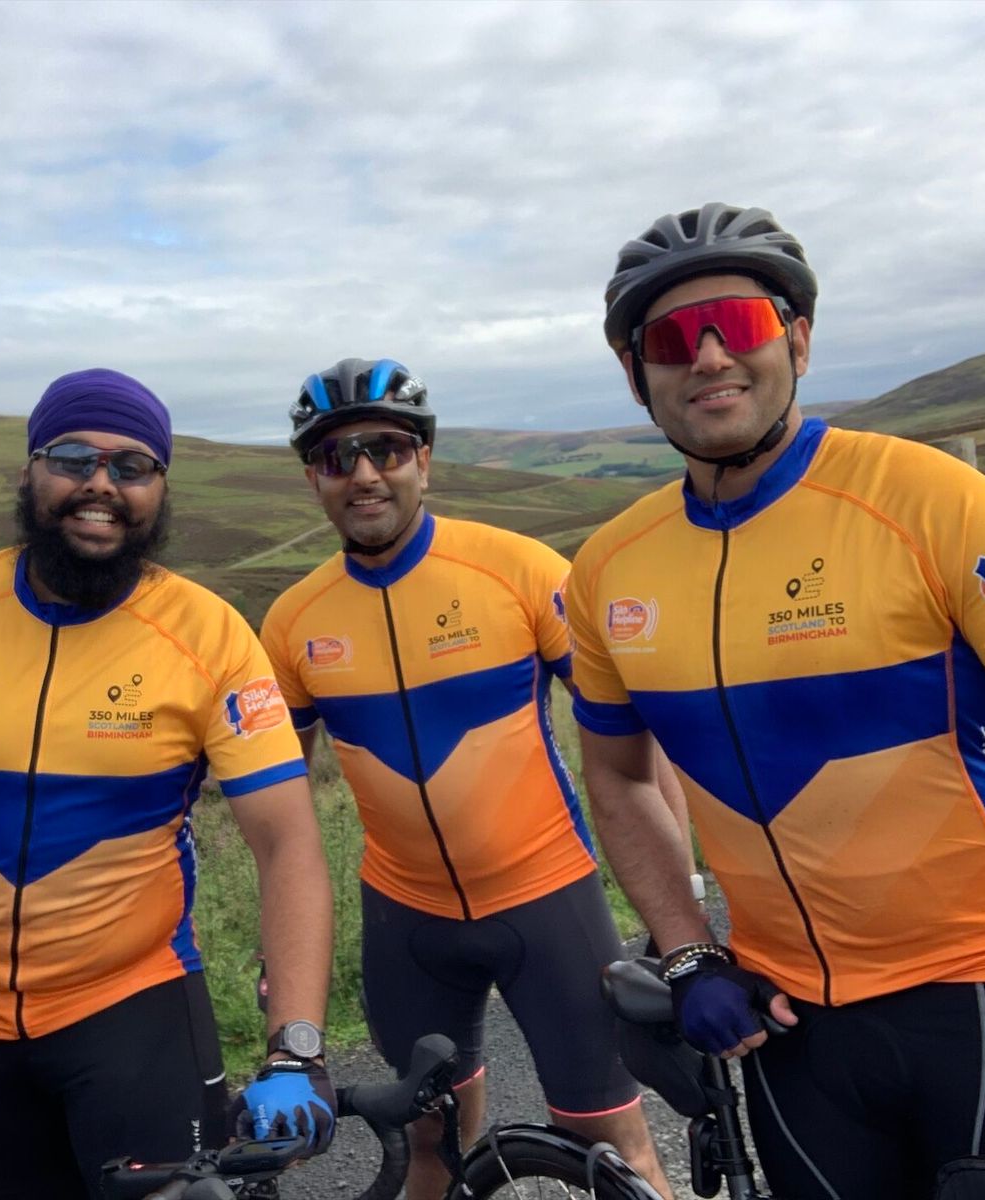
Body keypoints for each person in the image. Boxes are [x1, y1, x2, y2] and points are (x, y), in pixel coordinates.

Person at [569, 203, 985, 1198]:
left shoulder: (931, 501)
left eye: (736, 324)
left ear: (798, 342)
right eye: (669, 341)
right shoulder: (609, 567)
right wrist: (688, 952)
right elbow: (618, 774)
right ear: (636, 376)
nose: (707, 357)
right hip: (792, 1028)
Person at [0, 368, 335, 1199]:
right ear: (31, 470)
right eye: (73, 458)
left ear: (160, 489)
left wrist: (297, 1047)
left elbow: (287, 844)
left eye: (132, 467)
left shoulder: (210, 636)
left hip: (133, 1014)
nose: (101, 485)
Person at [258, 358, 675, 1198]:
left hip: (546, 897)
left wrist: (679, 913)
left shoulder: (520, 570)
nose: (364, 474)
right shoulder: (292, 621)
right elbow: (277, 815)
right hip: (405, 919)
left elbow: (635, 744)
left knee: (614, 1145)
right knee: (430, 1147)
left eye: (386, 449)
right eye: (337, 457)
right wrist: (280, 967)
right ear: (313, 478)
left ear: (424, 458)